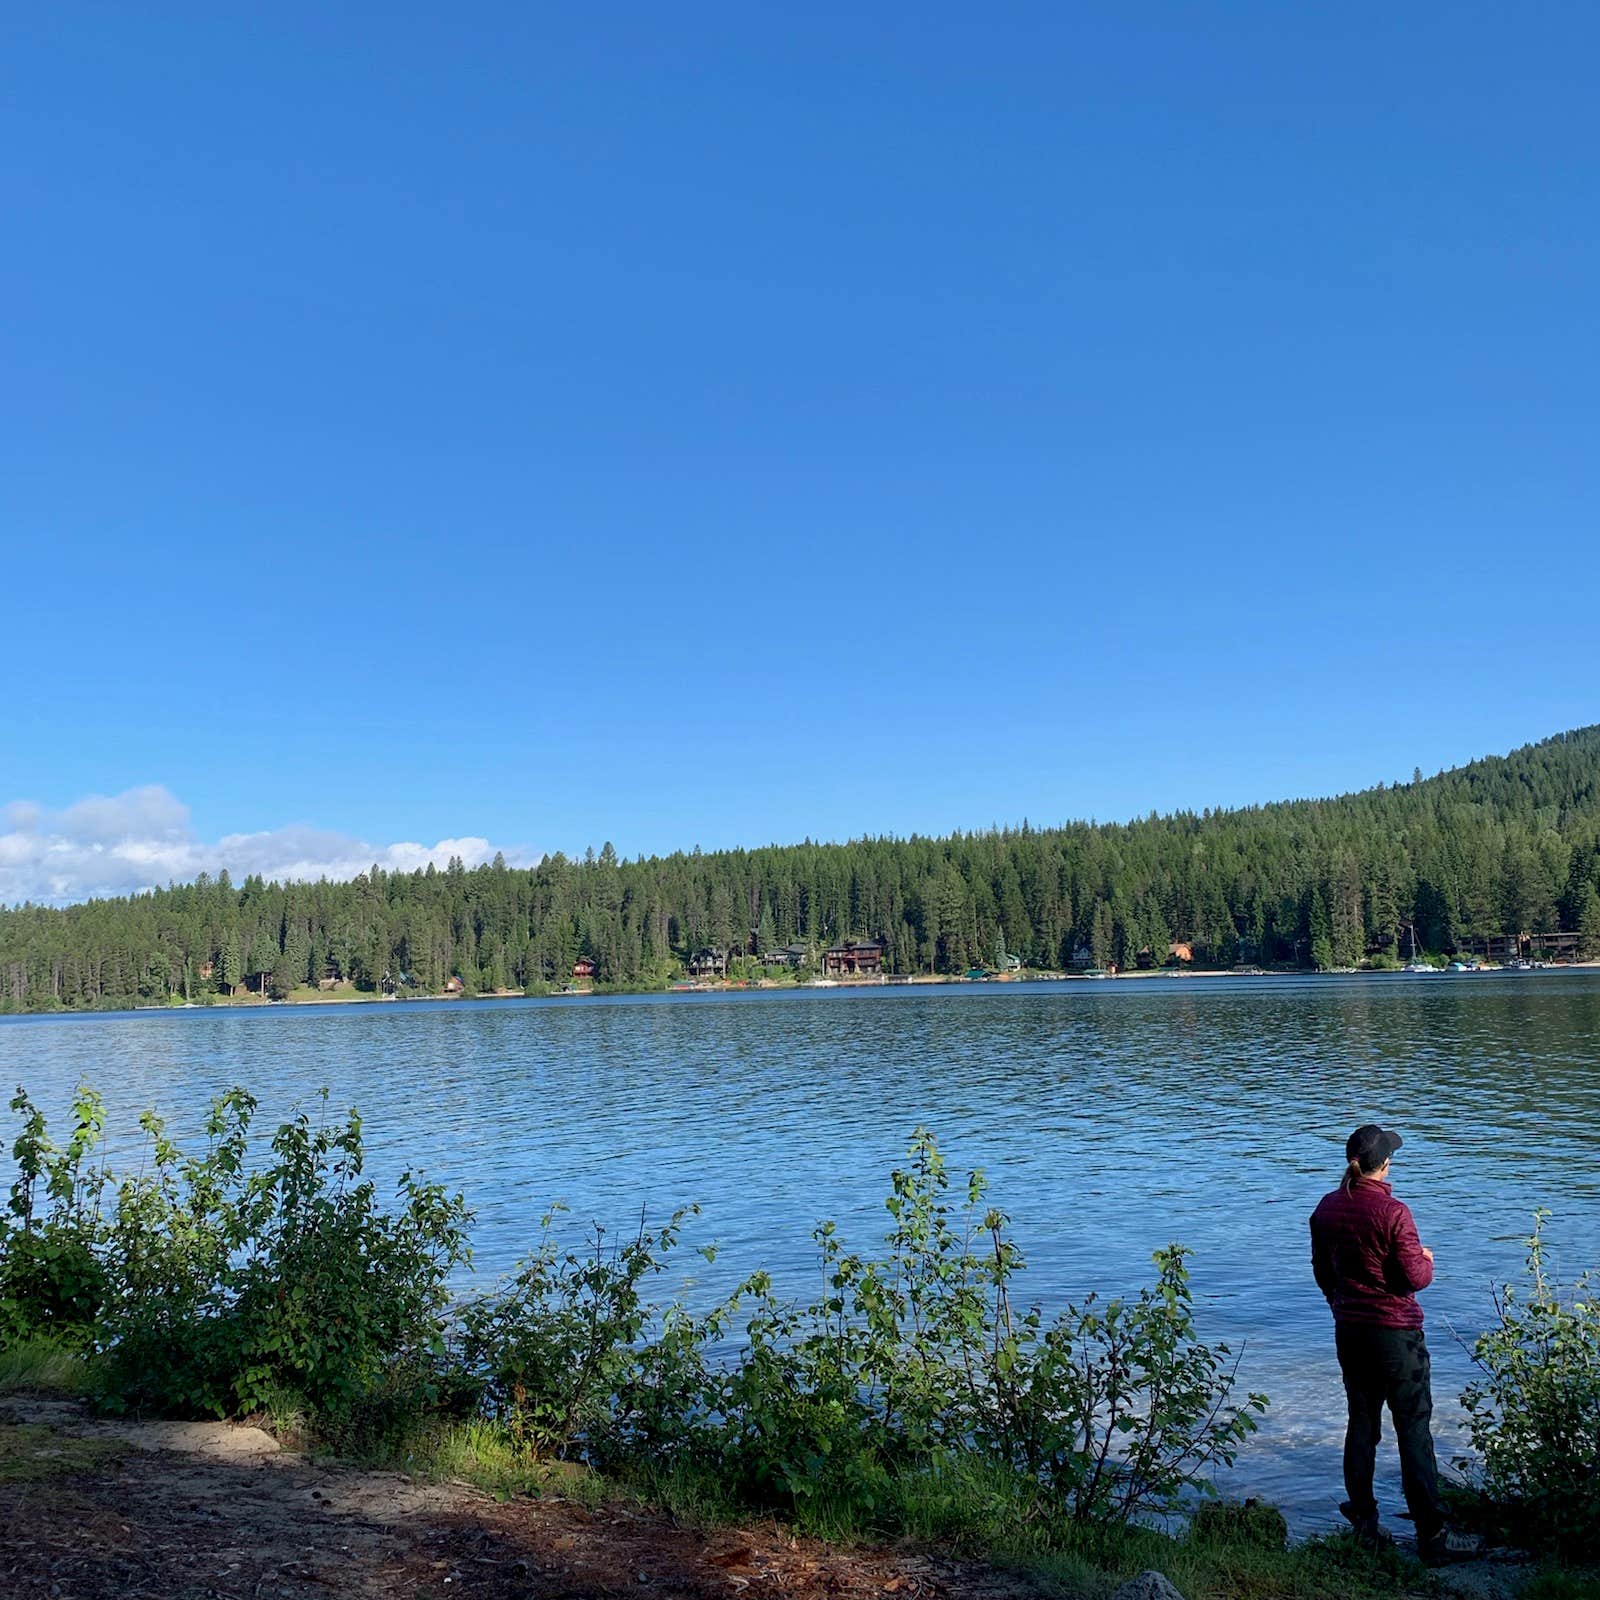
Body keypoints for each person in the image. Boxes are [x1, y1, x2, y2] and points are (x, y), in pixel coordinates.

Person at [1309, 1124, 1481, 1565]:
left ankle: (1364, 1524)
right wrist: (1426, 1261)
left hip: (1350, 1332)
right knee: (1414, 1429)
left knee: (1362, 1424)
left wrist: (1340, 1304)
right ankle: (1434, 1535)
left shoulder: (1326, 1209)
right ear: (1384, 1165)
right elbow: (1414, 1279)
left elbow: (1323, 1272)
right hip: (1396, 1336)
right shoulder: (1394, 1212)